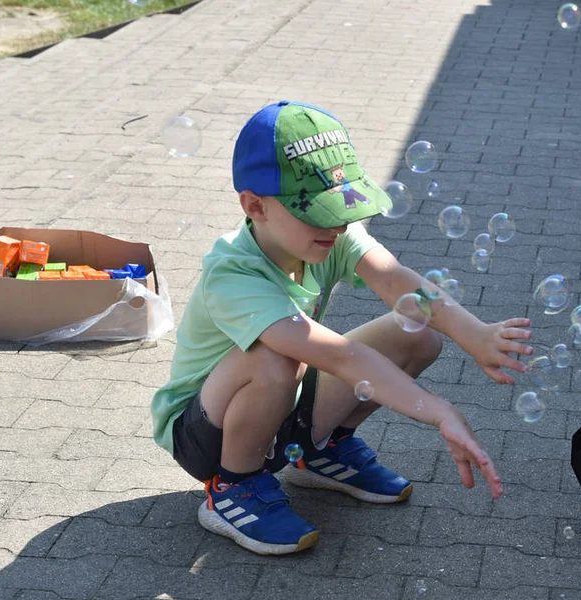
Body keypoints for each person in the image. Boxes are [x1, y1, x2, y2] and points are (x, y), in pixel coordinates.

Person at [151, 101, 534, 556]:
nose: (338, 224)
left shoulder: (327, 235)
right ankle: (234, 488)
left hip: (282, 403)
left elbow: (395, 280)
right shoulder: (232, 276)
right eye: (318, 211)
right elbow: (340, 357)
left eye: (342, 206)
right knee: (279, 355)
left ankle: (319, 450)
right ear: (255, 205)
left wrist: (475, 335)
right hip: (205, 432)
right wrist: (437, 411)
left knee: (417, 332)